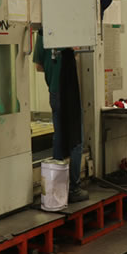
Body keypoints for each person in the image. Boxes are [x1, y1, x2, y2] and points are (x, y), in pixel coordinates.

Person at [33, 32, 89, 203]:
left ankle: (57, 189)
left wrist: (53, 69)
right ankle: (74, 188)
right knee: (76, 138)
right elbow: (76, 53)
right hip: (68, 90)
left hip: (54, 91)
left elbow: (38, 66)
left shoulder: (41, 34)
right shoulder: (67, 30)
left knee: (58, 137)